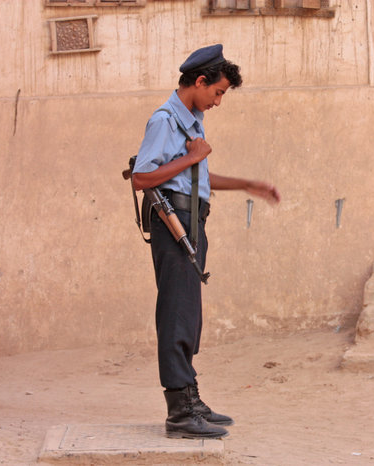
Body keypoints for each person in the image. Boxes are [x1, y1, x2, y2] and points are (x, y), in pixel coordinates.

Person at [131, 44, 281, 439]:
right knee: (177, 313)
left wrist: (247, 184)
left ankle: (190, 397)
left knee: (189, 315)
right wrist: (194, 156)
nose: (218, 101)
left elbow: (195, 177)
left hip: (192, 220)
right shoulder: (165, 120)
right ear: (200, 82)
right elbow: (142, 177)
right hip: (173, 223)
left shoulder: (191, 122)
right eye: (218, 92)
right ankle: (179, 410)